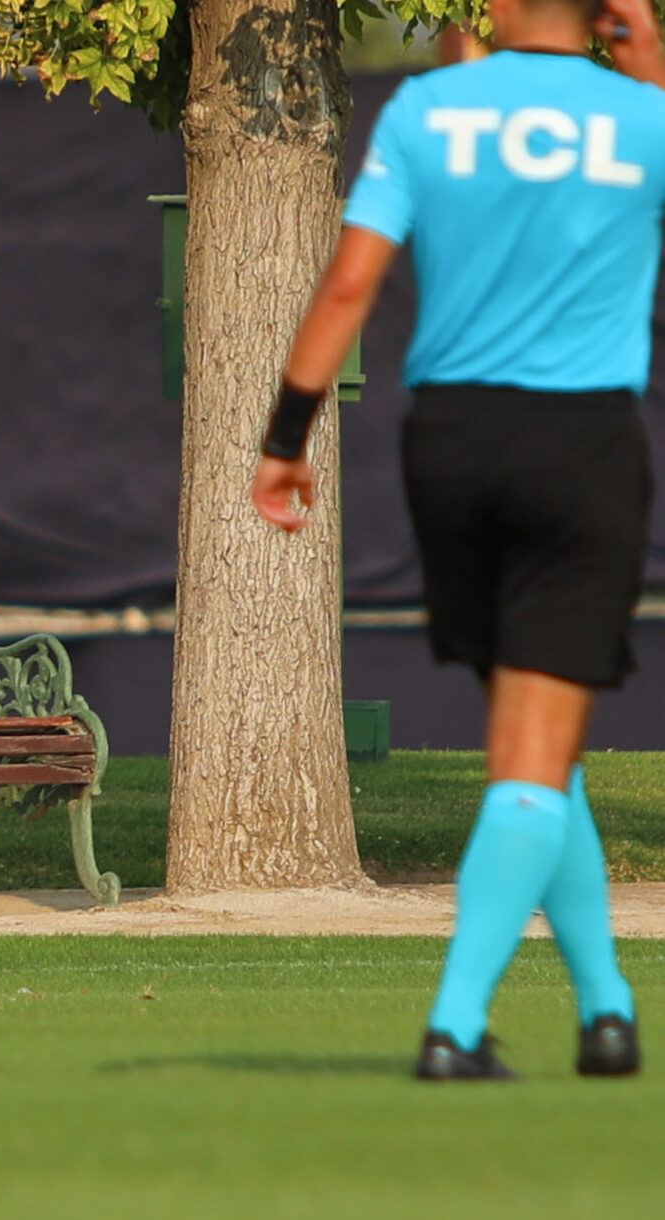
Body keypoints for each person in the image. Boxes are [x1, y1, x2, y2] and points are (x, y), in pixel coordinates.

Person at [252, 0, 660, 1080]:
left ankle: (607, 1009)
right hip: (581, 441)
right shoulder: (643, 118)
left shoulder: (430, 108)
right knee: (531, 747)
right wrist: (654, 71)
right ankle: (455, 1024)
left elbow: (348, 281)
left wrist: (285, 435)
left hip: (455, 440)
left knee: (537, 734)